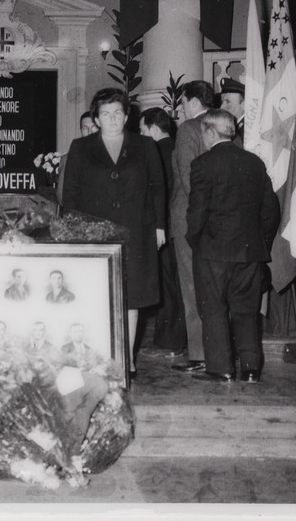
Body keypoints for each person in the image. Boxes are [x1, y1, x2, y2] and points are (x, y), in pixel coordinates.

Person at [63, 87, 166, 380]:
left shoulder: (146, 146)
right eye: (105, 113)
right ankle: (101, 356)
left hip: (137, 231)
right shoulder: (81, 148)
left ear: (126, 115)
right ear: (96, 118)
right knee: (97, 296)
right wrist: (73, 229)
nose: (112, 118)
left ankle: (126, 358)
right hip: (93, 234)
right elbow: (70, 193)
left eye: (117, 113)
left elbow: (158, 188)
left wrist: (159, 226)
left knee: (131, 297)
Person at [186, 109, 280, 382]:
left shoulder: (203, 164)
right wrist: (259, 241)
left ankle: (221, 368)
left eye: (203, 131)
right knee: (247, 311)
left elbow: (196, 213)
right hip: (249, 251)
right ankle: (251, 369)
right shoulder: (254, 162)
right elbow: (270, 210)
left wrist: (196, 239)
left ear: (211, 132)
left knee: (213, 308)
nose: (202, 137)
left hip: (213, 250)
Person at [170, 80, 214, 375]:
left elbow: (188, 177)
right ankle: (216, 350)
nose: (181, 108)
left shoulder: (188, 129)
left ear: (194, 102)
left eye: (183, 102)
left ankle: (199, 355)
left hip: (190, 218)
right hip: (217, 219)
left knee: (191, 287)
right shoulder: (222, 124)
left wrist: (198, 218)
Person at [139, 107, 187, 355]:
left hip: (161, 228)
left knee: (167, 285)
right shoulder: (176, 148)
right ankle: (173, 340)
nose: (141, 134)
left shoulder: (156, 151)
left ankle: (170, 342)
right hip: (174, 227)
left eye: (142, 129)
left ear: (153, 129)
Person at [219, 76, 245, 145]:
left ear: (244, 104)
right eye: (222, 102)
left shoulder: (248, 129)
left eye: (228, 102)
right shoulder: (235, 126)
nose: (222, 107)